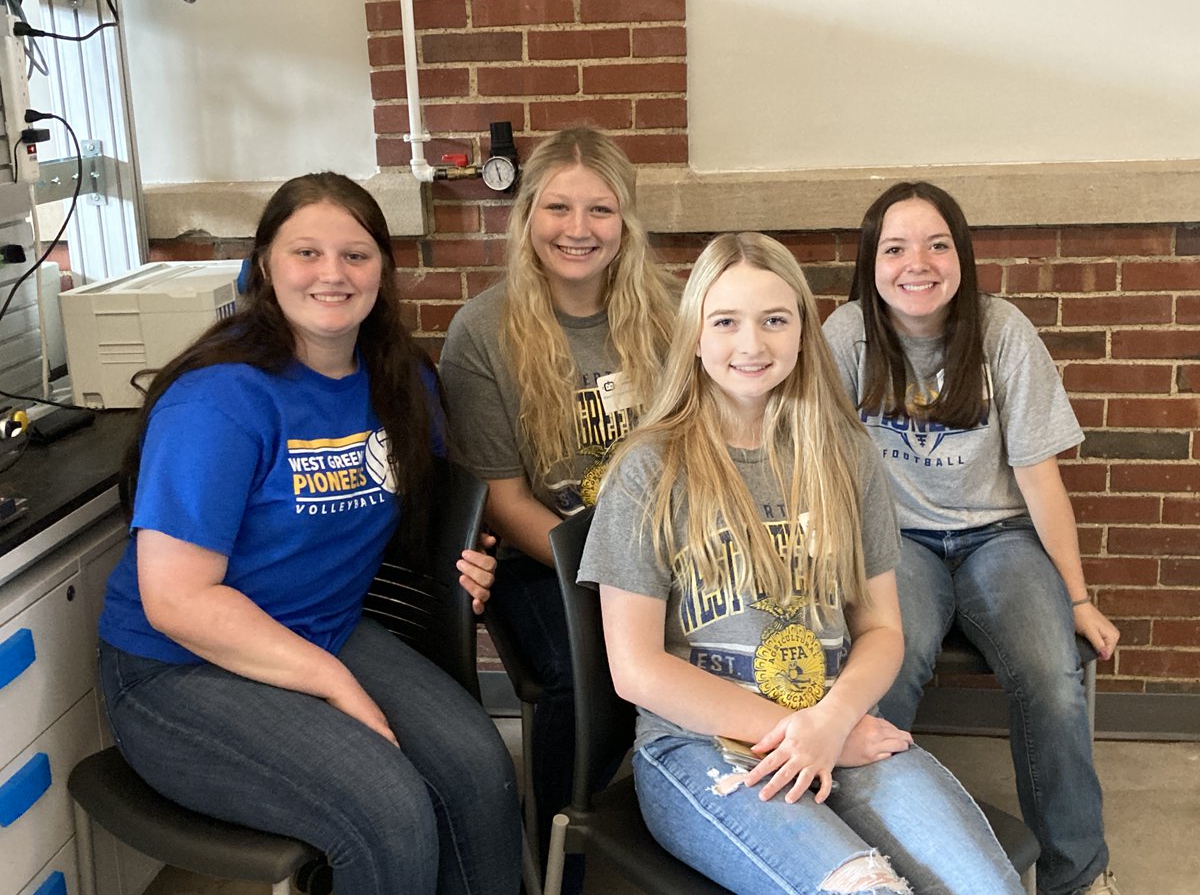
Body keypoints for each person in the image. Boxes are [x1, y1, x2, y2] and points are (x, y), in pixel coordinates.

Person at [97, 172, 521, 895]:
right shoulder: (220, 400)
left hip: (320, 626)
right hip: (178, 668)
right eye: (307, 253)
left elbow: (401, 523)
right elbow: (177, 601)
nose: (332, 274)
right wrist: (335, 684)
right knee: (386, 809)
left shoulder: (398, 381)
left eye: (355, 255)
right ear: (265, 264)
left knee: (478, 767)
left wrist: (470, 561)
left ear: (383, 270)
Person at [578, 231, 1023, 894]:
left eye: (774, 320)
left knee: (993, 888)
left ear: (801, 336)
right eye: (726, 321)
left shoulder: (845, 453)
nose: (751, 344)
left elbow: (881, 631)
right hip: (701, 748)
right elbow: (637, 669)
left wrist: (831, 723)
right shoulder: (648, 469)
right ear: (694, 336)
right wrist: (812, 735)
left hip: (832, 720)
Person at [823, 180, 1122, 895]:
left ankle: (1078, 875)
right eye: (895, 248)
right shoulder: (844, 337)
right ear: (870, 262)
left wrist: (1077, 599)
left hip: (1000, 537)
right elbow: (818, 464)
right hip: (895, 542)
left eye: (936, 244)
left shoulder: (1003, 332)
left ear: (962, 256)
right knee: (881, 677)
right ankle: (866, 862)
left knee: (1052, 681)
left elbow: (1040, 478)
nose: (916, 263)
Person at [439, 126, 677, 852]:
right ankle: (550, 852)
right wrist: (615, 577)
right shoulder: (481, 332)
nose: (578, 230)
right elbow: (504, 501)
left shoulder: (673, 315)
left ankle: (686, 815)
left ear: (627, 221)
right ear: (526, 216)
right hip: (544, 559)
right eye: (557, 208)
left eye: (600, 210)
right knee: (587, 676)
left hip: (662, 550)